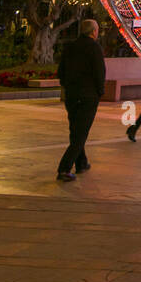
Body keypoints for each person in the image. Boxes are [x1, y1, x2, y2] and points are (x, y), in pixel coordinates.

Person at [56, 18, 106, 181]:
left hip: (72, 94)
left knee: (76, 129)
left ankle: (82, 162)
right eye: (97, 30)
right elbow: (99, 72)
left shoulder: (70, 47)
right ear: (93, 32)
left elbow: (61, 71)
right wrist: (100, 91)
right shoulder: (94, 48)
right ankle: (64, 168)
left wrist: (67, 85)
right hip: (88, 96)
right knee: (80, 133)